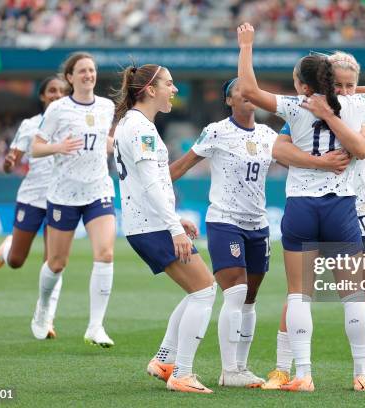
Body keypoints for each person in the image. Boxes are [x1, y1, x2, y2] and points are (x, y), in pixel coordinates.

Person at [169, 78, 347, 387]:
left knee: (250, 298)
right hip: (224, 220)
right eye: (237, 89)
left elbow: (297, 160)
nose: (246, 92)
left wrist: (323, 162)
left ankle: (241, 366)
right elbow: (181, 167)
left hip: (258, 224)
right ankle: (229, 371)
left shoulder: (268, 135)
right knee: (235, 291)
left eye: (248, 88)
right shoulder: (216, 131)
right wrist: (159, 197)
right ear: (229, 100)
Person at [237, 22, 365, 392]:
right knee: (353, 296)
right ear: (332, 82)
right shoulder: (357, 104)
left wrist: (246, 45)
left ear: (303, 85)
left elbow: (250, 91)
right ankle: (362, 374)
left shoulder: (296, 107)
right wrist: (345, 93)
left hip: (302, 206)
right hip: (342, 207)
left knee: (299, 294)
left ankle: (303, 374)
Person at [267, 51, 365, 392]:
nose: (343, 91)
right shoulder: (307, 111)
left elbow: (361, 147)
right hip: (319, 204)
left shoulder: (364, 111)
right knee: (299, 290)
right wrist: (317, 158)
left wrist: (344, 101)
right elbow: (280, 150)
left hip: (359, 207)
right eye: (336, 84)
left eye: (349, 85)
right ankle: (283, 368)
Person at [113, 63, 216, 394]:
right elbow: (150, 185)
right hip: (151, 225)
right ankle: (182, 373)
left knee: (198, 290)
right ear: (150, 90)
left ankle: (164, 361)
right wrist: (173, 226)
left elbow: (152, 183)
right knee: (205, 290)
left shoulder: (136, 124)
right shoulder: (140, 128)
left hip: (149, 222)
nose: (174, 90)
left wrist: (174, 218)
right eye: (169, 84)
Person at [30, 52, 116, 347]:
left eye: (91, 70)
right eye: (82, 71)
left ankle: (96, 326)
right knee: (56, 262)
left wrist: (120, 145)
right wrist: (58, 146)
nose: (88, 75)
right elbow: (36, 147)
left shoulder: (107, 107)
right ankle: (43, 309)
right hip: (64, 194)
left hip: (98, 190)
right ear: (70, 77)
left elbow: (102, 140)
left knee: (105, 253)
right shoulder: (58, 109)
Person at [0, 75, 67, 339]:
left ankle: (46, 318)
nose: (57, 95)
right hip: (32, 198)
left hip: (62, 199)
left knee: (54, 262)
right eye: (52, 91)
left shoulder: (73, 123)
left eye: (61, 91)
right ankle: (7, 247)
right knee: (15, 261)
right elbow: (11, 161)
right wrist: (10, 162)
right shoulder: (30, 125)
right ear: (43, 96)